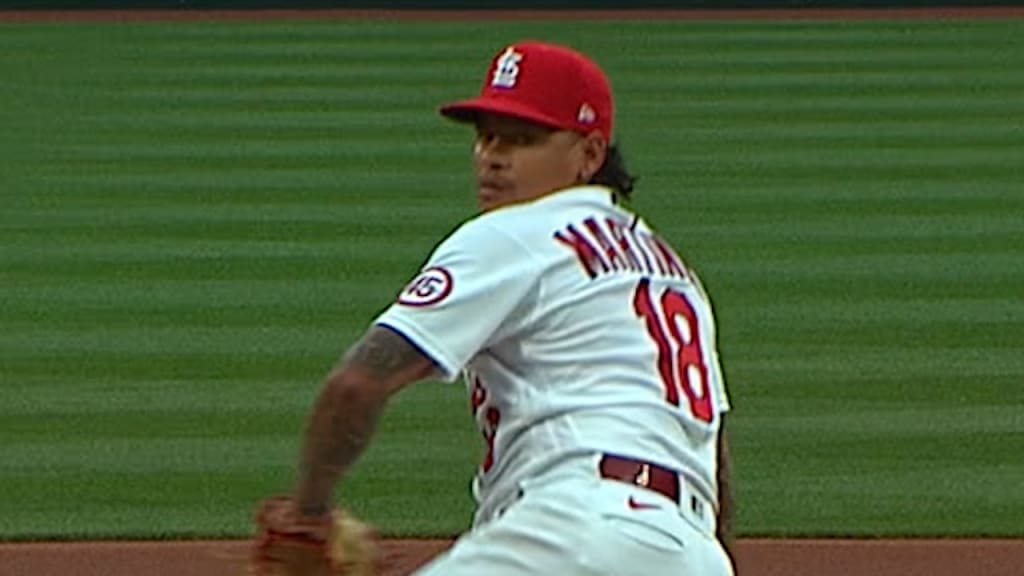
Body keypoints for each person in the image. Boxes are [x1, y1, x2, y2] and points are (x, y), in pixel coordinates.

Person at [267, 40, 735, 576]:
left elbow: (358, 383)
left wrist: (309, 513)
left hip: (578, 530)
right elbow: (714, 459)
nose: (493, 156)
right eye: (486, 135)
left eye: (522, 139)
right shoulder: (672, 271)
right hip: (694, 553)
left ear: (589, 154)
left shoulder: (515, 232)